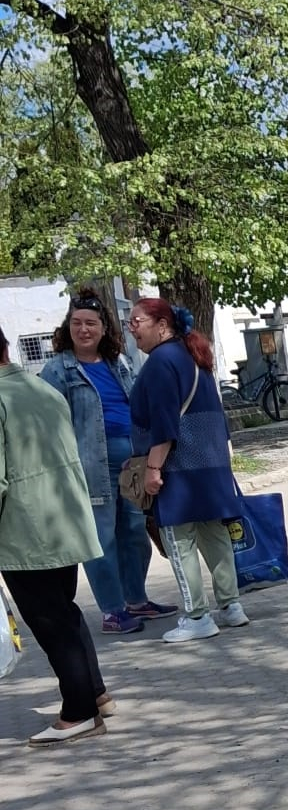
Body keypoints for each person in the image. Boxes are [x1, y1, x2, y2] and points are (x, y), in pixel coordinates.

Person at [0, 324, 114, 746]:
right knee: (65, 612)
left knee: (50, 622)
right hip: (63, 519)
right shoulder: (40, 388)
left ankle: (79, 711)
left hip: (25, 530)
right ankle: (96, 694)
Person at [40, 289, 175, 635]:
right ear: (67, 327)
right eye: (76, 323)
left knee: (133, 534)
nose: (83, 329)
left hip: (131, 464)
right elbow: (49, 424)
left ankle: (136, 599)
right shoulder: (58, 370)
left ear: (103, 328)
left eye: (91, 323)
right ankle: (113, 611)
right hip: (90, 467)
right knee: (101, 539)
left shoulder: (119, 362)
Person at [127, 298, 246, 643]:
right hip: (210, 465)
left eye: (137, 320)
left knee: (178, 542)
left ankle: (197, 616)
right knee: (215, 536)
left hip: (179, 469)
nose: (131, 327)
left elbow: (164, 423)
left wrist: (152, 468)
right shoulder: (193, 356)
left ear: (161, 325)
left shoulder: (161, 362)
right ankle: (231, 605)